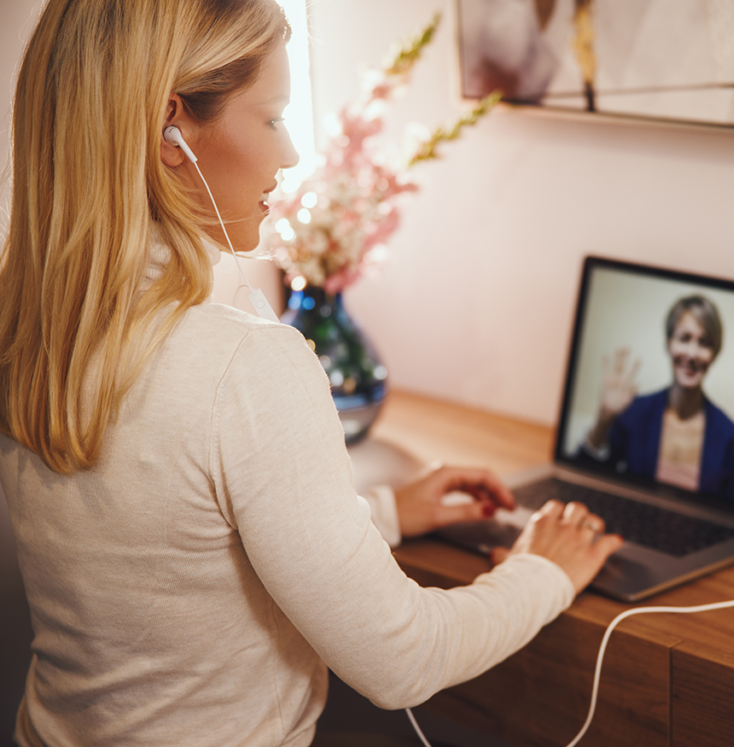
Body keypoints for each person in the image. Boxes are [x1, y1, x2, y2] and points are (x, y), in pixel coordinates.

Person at [0, 2, 622, 745]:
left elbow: (168, 550)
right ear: (173, 129)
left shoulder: (30, 324)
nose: (289, 154)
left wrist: (383, 513)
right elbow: (404, 658)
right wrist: (543, 571)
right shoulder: (244, 364)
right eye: (272, 118)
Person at [582, 295, 734, 501]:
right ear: (669, 343)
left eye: (704, 343)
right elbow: (585, 483)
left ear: (715, 353)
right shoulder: (634, 412)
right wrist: (603, 420)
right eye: (684, 338)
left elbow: (732, 519)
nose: (692, 353)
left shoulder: (731, 437)